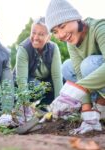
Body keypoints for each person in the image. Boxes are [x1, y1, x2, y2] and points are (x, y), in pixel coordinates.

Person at [45, 0, 105, 134]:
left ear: (75, 18)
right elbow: (79, 76)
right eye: (55, 31)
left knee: (88, 65)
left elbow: (82, 84)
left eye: (62, 26)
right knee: (67, 67)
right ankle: (98, 112)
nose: (60, 35)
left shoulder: (99, 28)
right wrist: (88, 114)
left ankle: (102, 106)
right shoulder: (71, 42)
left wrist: (73, 92)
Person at [15, 17, 63, 108]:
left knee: (63, 82)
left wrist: (59, 103)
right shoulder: (23, 49)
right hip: (28, 82)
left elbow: (57, 77)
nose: (35, 37)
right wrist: (25, 107)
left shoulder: (54, 48)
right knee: (39, 88)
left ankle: (47, 107)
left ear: (48, 37)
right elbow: (22, 81)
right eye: (33, 33)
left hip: (44, 81)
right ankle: (27, 108)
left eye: (41, 34)